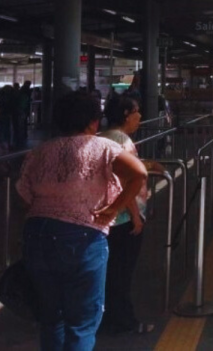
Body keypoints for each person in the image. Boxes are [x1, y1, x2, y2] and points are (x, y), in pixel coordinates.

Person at [16, 91, 147, 350]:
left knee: (51, 317)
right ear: (93, 122)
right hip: (82, 237)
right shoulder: (102, 146)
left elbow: (24, 195)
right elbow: (139, 173)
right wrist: (114, 208)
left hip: (36, 234)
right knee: (82, 321)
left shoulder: (39, 152)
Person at [100, 96, 164, 335]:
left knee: (109, 272)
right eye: (136, 111)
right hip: (122, 220)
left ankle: (105, 317)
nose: (140, 116)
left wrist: (149, 164)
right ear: (126, 114)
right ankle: (123, 321)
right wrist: (135, 215)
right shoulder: (121, 140)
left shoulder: (104, 138)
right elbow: (123, 181)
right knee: (121, 273)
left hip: (107, 219)